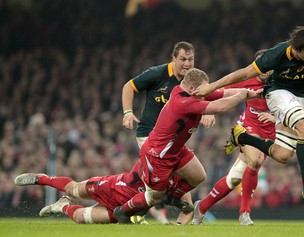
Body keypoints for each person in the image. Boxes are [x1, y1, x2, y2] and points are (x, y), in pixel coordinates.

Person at [194, 26, 304, 206]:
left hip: (300, 98)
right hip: (278, 92)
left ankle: (242, 136)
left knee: (283, 155)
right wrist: (211, 87)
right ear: (296, 49)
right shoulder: (277, 54)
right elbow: (244, 73)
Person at [112, 68, 263, 223]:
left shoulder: (191, 92)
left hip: (176, 149)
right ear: (192, 88)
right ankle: (123, 211)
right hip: (157, 155)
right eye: (205, 88)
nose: (207, 91)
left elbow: (223, 93)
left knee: (198, 176)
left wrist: (252, 93)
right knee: (154, 198)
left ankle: (174, 197)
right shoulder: (183, 101)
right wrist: (242, 96)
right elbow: (220, 107)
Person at [121, 41, 215, 224]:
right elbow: (128, 87)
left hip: (173, 141)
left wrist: (209, 112)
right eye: (183, 59)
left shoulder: (193, 81)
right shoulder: (158, 74)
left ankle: (177, 223)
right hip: (150, 137)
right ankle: (129, 210)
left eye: (191, 59)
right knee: (162, 186)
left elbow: (209, 97)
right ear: (173, 58)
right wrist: (127, 113)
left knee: (184, 178)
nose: (187, 64)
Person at [192, 50, 278, 226]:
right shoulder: (246, 80)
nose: (262, 70)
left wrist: (276, 118)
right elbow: (214, 93)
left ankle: (201, 208)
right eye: (259, 66)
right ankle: (244, 213)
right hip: (246, 128)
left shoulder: (281, 83)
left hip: (270, 133)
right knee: (255, 161)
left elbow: (295, 107)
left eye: (266, 66)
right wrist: (209, 111)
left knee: (235, 178)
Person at [13, 170, 191, 225]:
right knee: (74, 189)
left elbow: (187, 208)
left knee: (79, 218)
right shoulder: (155, 160)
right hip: (113, 187)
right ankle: (41, 178)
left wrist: (177, 226)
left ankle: (62, 206)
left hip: (123, 209)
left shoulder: (183, 183)